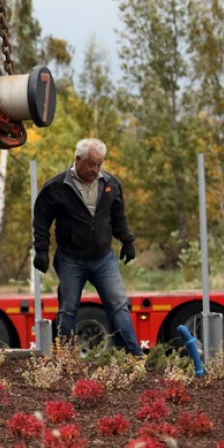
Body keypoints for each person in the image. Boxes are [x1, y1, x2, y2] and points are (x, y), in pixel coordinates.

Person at [32, 138, 142, 356]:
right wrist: (41, 250)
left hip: (104, 258)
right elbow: (41, 221)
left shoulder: (110, 183)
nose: (96, 169)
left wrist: (127, 240)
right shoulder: (57, 187)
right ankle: (64, 359)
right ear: (78, 159)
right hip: (71, 258)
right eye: (91, 164)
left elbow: (118, 216)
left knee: (118, 304)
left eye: (99, 164)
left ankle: (133, 356)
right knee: (68, 308)